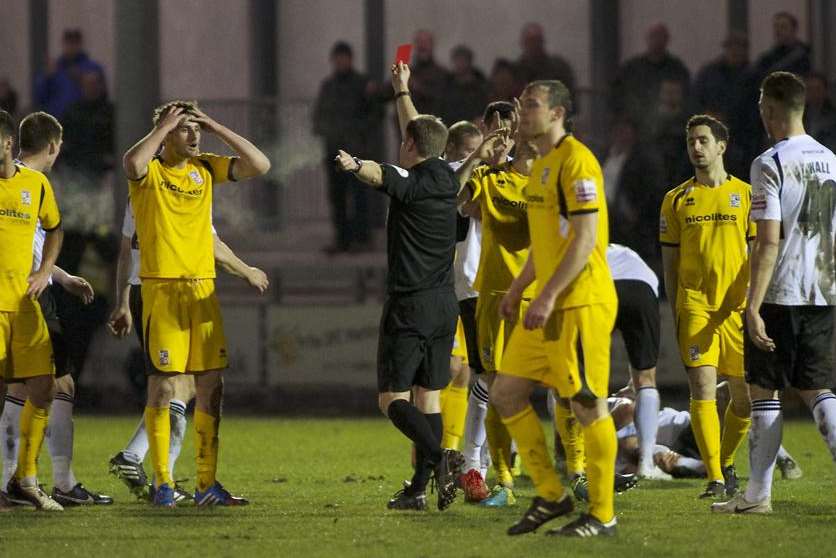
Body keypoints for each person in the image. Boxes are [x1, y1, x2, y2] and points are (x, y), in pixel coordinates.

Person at [122, 100, 270, 507]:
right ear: (167, 133)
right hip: (162, 290)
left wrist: (216, 125)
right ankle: (163, 482)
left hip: (202, 289)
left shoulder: (205, 169)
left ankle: (206, 483)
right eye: (184, 129)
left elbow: (259, 165)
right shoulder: (150, 173)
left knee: (211, 387)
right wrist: (163, 125)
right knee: (165, 384)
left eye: (195, 129)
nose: (193, 135)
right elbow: (131, 163)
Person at [492, 80, 618, 538]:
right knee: (506, 393)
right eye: (521, 104)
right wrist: (519, 287)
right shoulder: (541, 166)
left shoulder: (577, 161)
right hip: (548, 302)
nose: (521, 112)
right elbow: (546, 244)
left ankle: (602, 514)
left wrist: (545, 296)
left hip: (579, 303)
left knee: (586, 403)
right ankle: (551, 493)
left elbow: (585, 240)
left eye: (531, 105)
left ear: (558, 113)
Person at [334, 61, 462, 512]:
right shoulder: (446, 176)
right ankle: (417, 491)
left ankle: (443, 458)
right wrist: (401, 91)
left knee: (391, 399)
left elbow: (381, 173)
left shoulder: (409, 182)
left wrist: (354, 166)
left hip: (409, 305)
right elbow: (421, 134)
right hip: (445, 305)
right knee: (428, 399)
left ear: (408, 146)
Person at [713, 71, 836, 514]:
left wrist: (751, 305)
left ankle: (757, 497)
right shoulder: (832, 159)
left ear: (770, 107)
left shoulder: (769, 163)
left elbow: (767, 241)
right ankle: (756, 496)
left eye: (762, 103)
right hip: (823, 289)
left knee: (764, 389)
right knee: (818, 389)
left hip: (780, 291)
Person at [107, 200, 269, 502]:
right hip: (165, 292)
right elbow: (211, 243)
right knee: (174, 384)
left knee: (185, 384)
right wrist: (247, 271)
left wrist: (123, 300)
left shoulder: (139, 189)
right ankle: (151, 470)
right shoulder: (179, 186)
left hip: (149, 290)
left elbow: (127, 249)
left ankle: (152, 470)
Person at [0, 111, 110, 507]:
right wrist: (56, 279)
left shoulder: (33, 184)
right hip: (27, 297)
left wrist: (55, 274)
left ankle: (18, 480)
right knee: (53, 385)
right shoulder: (24, 182)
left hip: (27, 294)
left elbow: (39, 238)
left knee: (32, 387)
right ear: (53, 146)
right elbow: (28, 244)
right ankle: (55, 481)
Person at [660, 114, 754, 500]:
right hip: (696, 307)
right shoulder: (676, 199)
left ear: (721, 146)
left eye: (703, 141)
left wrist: (757, 307)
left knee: (744, 399)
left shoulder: (747, 195)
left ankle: (725, 460)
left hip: (738, 309)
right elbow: (669, 263)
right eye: (691, 142)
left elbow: (760, 252)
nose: (695, 148)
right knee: (701, 389)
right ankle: (715, 478)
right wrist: (678, 307)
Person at [456, 100, 541, 508]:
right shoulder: (489, 176)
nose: (510, 132)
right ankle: (475, 466)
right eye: (502, 125)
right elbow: (455, 199)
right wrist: (480, 157)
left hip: (539, 295)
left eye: (516, 125)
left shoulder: (547, 179)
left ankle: (574, 470)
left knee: (541, 384)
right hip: (488, 292)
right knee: (490, 380)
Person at [0, 109, 64, 511]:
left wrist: (45, 272)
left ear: (7, 143)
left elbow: (55, 228)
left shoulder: (36, 185)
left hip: (23, 307)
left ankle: (25, 478)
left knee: (45, 387)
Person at [312, 41, 379, 254]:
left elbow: (375, 113)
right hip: (334, 151)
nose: (340, 62)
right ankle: (342, 239)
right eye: (337, 58)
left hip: (357, 150)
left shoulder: (362, 84)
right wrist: (325, 130)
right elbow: (319, 115)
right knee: (337, 197)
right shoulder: (328, 86)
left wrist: (358, 133)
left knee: (359, 196)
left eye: (343, 58)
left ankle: (361, 239)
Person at [610, 23, 690, 132]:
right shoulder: (632, 68)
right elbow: (616, 94)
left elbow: (686, 98)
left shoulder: (677, 69)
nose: (657, 41)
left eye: (661, 37)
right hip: (635, 128)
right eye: (654, 36)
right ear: (647, 39)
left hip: (669, 130)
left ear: (667, 40)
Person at [35, 29, 106, 119]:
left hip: (83, 119)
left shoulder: (92, 68)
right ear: (63, 44)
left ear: (80, 44)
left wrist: (81, 79)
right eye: (69, 43)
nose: (71, 47)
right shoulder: (54, 69)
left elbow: (102, 95)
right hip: (57, 119)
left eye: (75, 43)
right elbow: (39, 98)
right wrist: (46, 78)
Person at [59, 70, 115, 183]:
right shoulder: (73, 112)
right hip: (76, 167)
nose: (91, 88)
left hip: (103, 169)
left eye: (94, 84)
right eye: (88, 84)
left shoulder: (110, 112)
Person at [515, 23, 575, 96]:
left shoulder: (559, 68)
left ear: (543, 42)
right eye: (531, 41)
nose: (534, 45)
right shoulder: (515, 70)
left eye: (537, 41)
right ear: (523, 43)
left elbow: (569, 96)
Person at [441, 46, 488, 125]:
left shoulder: (479, 87)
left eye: (463, 60)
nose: (460, 64)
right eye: (457, 60)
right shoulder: (447, 86)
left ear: (469, 62)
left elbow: (483, 110)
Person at [408, 30, 450, 118]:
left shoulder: (442, 74)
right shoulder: (409, 72)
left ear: (432, 45)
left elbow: (443, 99)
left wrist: (419, 88)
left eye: (425, 42)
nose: (422, 46)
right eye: (419, 42)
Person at [803, 72, 836, 152]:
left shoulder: (833, 117)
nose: (814, 93)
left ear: (825, 91)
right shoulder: (799, 117)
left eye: (817, 89)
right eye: (810, 89)